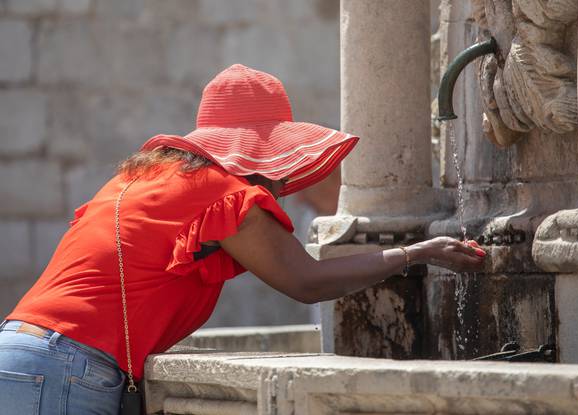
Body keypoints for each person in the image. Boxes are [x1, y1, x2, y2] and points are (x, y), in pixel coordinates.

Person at [0, 64, 485, 414]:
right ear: (260, 150)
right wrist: (416, 252)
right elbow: (307, 282)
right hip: (67, 367)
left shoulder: (143, 179)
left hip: (19, 350)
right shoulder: (224, 195)